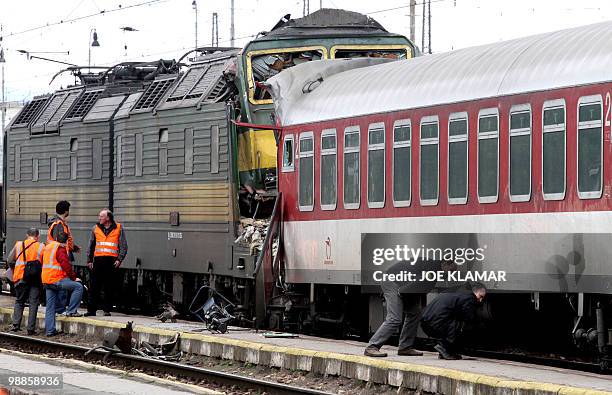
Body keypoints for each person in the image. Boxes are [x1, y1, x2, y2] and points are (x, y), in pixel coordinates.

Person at [364, 260, 455, 357]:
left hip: (404, 285)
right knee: (395, 318)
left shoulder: (435, 270)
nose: (451, 274)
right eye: (451, 271)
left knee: (415, 313)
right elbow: (411, 287)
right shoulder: (431, 269)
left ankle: (405, 347)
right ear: (444, 264)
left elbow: (419, 287)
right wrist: (401, 295)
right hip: (393, 282)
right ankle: (372, 347)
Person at [420, 283, 487, 360]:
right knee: (463, 325)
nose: (481, 300)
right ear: (475, 292)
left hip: (425, 322)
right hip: (435, 323)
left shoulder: (458, 292)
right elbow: (468, 318)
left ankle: (445, 352)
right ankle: (443, 347)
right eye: (480, 296)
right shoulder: (470, 298)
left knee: (454, 319)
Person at [85, 209, 128, 317]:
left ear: (108, 218)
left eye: (101, 216)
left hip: (111, 262)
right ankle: (91, 310)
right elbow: (91, 245)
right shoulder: (95, 228)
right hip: (98, 261)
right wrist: (89, 260)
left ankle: (107, 310)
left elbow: (124, 246)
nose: (99, 218)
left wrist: (119, 259)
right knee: (94, 286)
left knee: (109, 287)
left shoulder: (118, 228)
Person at [42, 233, 84, 337]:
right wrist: (74, 278)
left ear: (56, 239)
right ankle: (71, 311)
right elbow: (65, 264)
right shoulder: (60, 249)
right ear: (66, 242)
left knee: (50, 307)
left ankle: (50, 331)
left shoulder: (48, 247)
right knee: (78, 287)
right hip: (56, 279)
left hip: (47, 280)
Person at [7, 228, 45, 335]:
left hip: (20, 277)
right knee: (34, 303)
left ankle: (15, 325)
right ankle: (30, 329)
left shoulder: (19, 245)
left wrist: (14, 269)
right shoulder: (41, 246)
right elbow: (44, 262)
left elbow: (10, 260)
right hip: (35, 278)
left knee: (19, 301)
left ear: (27, 235)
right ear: (38, 236)